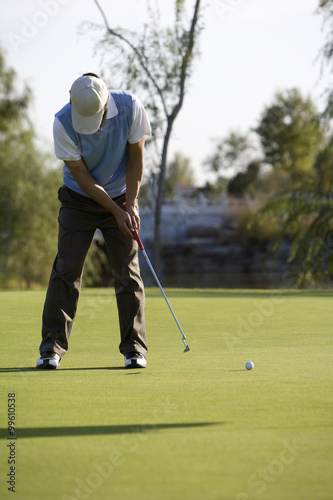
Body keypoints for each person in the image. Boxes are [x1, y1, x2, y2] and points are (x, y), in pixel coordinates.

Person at [36, 73, 151, 370]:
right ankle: (52, 349)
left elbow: (137, 157)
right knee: (67, 269)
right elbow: (83, 177)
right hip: (79, 199)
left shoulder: (131, 107)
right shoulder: (62, 122)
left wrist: (131, 204)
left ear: (106, 104)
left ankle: (134, 349)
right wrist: (115, 210)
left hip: (123, 197)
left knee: (127, 271)